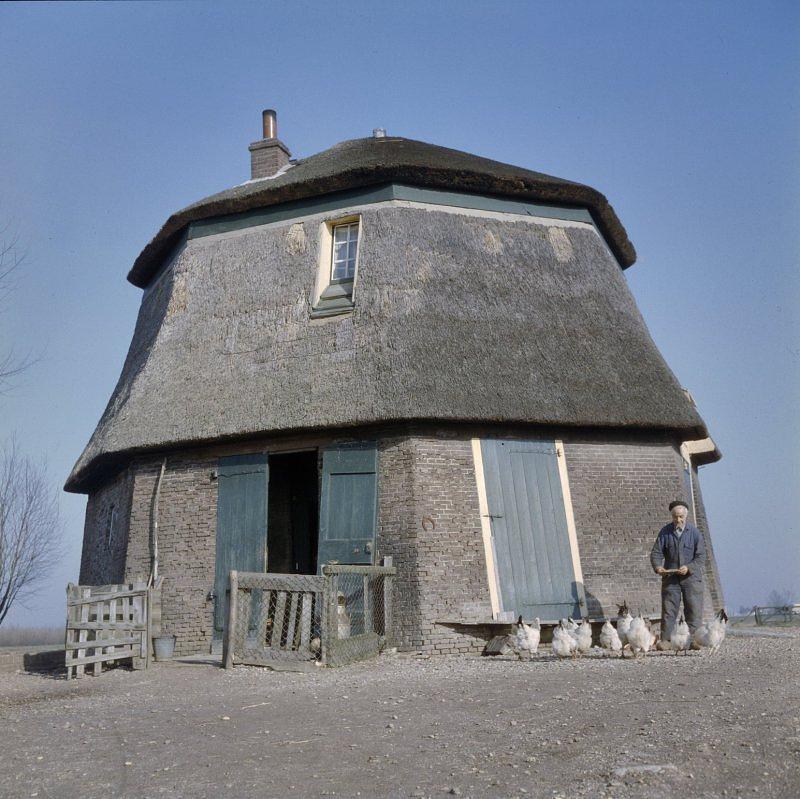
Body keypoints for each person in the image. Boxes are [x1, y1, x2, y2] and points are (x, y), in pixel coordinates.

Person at [650, 500, 706, 640]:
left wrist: (689, 567)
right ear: (672, 516)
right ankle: (667, 641)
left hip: (691, 579)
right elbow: (656, 553)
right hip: (671, 579)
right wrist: (658, 567)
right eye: (675, 516)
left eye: (681, 516)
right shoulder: (665, 532)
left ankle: (695, 641)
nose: (678, 520)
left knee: (693, 610)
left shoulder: (695, 533)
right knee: (669, 610)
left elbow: (701, 557)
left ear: (686, 516)